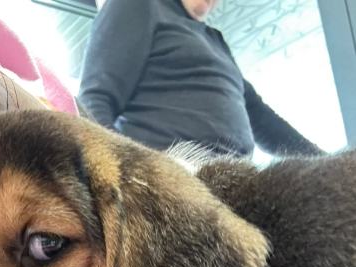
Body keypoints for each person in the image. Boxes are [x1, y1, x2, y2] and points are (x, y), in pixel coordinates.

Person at [79, 0, 322, 156]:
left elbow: (261, 118)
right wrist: (130, 176)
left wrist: (324, 162)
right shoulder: (138, 5)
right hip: (175, 179)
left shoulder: (215, 40)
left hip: (235, 181)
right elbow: (94, 99)